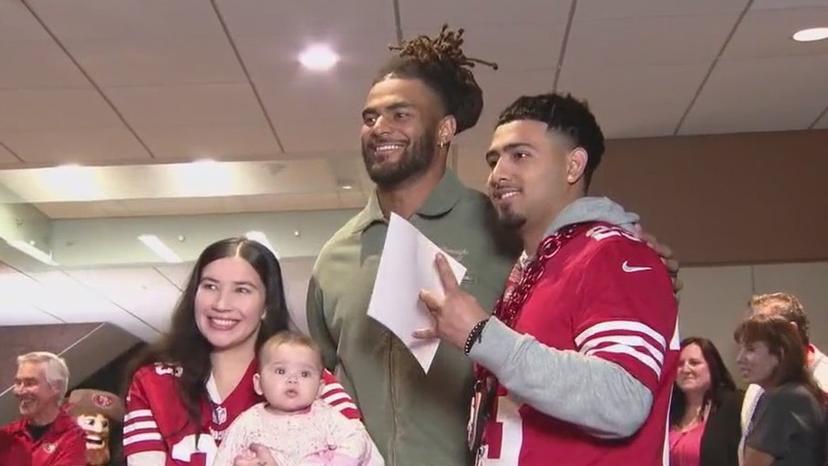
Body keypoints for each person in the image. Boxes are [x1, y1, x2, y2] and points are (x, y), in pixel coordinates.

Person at [306, 25, 679, 466]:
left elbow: (615, 370)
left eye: (400, 114)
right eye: (370, 117)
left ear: (446, 129)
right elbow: (317, 385)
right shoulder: (335, 257)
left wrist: (625, 249)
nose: (380, 128)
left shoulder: (513, 236)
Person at [417, 92, 679, 465]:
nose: (497, 174)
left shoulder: (612, 253)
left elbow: (623, 398)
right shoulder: (532, 268)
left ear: (573, 166)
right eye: (494, 160)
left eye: (520, 155)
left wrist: (481, 335)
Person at [123, 238, 364, 465]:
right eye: (210, 286)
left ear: (267, 305)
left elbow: (364, 455)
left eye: (242, 290)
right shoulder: (153, 384)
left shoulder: (307, 380)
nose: (221, 304)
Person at [214, 331, 375, 465]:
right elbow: (223, 458)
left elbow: (357, 441)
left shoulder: (327, 416)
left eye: (304, 374)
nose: (293, 379)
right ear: (259, 383)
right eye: (280, 371)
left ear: (319, 388)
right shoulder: (248, 423)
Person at [739, 292, 828, 459]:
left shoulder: (823, 380)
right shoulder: (756, 389)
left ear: (790, 332)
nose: (741, 358)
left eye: (752, 345)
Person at [1, 351, 86, 466]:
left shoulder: (73, 438)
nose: (19, 391)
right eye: (18, 383)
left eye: (30, 383)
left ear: (55, 387)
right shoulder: (7, 435)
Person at [669, 337, 741, 466]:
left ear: (712, 366)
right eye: (679, 364)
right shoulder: (668, 411)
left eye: (694, 363)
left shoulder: (733, 405)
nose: (686, 369)